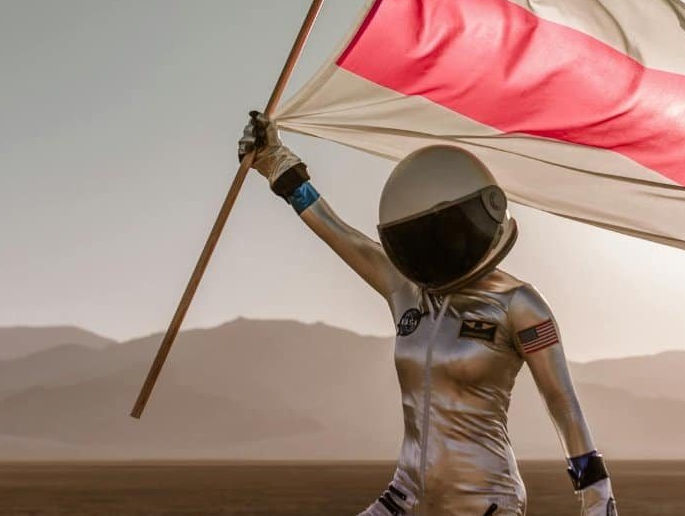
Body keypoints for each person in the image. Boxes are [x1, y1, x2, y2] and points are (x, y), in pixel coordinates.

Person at [240, 112, 618, 516]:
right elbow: (340, 233)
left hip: (485, 502)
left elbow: (561, 400)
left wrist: (596, 495)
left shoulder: (519, 305)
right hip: (406, 495)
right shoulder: (407, 288)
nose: (435, 247)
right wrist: (275, 162)